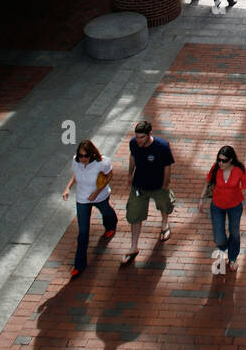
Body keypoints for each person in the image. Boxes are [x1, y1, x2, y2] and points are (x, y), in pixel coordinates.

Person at [62, 138, 118, 277]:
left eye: (85, 156)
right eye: (80, 155)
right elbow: (76, 175)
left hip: (100, 196)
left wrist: (96, 192)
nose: (82, 159)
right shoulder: (76, 161)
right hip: (82, 199)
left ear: (92, 154)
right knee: (83, 232)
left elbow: (109, 175)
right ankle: (79, 265)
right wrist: (68, 188)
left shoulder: (102, 162)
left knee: (106, 212)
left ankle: (111, 224)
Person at [121, 119, 174, 265]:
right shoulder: (133, 143)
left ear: (149, 134)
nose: (138, 140)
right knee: (134, 214)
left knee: (164, 205)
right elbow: (132, 157)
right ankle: (133, 247)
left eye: (141, 137)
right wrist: (130, 175)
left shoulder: (162, 146)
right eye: (137, 137)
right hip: (139, 186)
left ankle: (164, 224)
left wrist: (165, 184)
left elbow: (167, 166)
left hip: (158, 186)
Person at [198, 144, 246, 272]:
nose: (220, 163)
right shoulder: (216, 168)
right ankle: (223, 247)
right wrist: (201, 198)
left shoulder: (239, 170)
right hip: (217, 206)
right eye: (219, 160)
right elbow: (208, 182)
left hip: (234, 206)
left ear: (231, 160)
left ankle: (233, 256)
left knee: (234, 232)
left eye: (223, 161)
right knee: (219, 237)